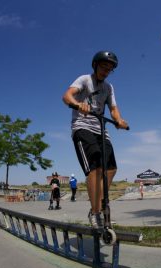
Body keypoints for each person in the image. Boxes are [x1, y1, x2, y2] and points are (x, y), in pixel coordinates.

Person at [62, 51, 129, 228]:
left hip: (101, 129)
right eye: (103, 67)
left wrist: (119, 120)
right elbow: (67, 96)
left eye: (109, 69)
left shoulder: (109, 88)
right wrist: (78, 104)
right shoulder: (84, 80)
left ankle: (97, 208)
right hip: (82, 126)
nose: (106, 71)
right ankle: (96, 213)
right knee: (95, 168)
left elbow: (113, 109)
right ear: (95, 65)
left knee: (111, 169)